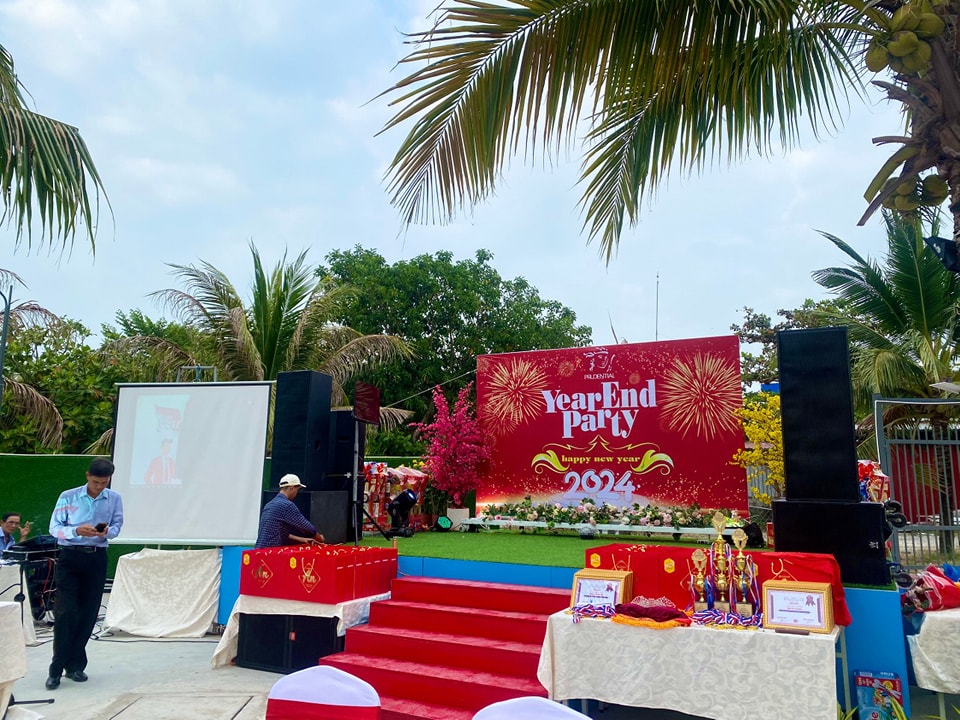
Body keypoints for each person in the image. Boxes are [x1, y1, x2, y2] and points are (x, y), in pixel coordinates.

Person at [46, 457, 124, 690]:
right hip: (70, 557)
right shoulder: (68, 496)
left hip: (96, 557)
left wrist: (106, 532)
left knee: (88, 612)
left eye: (104, 482)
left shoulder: (114, 498)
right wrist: (76, 531)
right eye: (96, 482)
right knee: (65, 612)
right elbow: (54, 528)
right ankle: (56, 668)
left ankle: (76, 665)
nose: (100, 486)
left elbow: (117, 526)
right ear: (87, 476)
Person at [254, 474, 325, 549]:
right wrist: (320, 539)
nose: (296, 493)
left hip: (258, 551)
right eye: (297, 490)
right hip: (271, 552)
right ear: (292, 488)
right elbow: (308, 528)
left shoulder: (269, 504)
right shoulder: (287, 505)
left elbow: (279, 533)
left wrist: (301, 539)